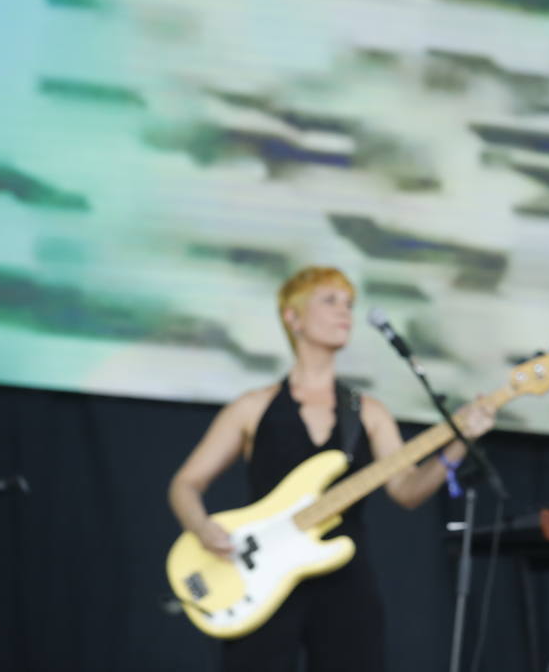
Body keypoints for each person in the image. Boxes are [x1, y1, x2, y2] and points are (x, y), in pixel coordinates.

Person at [168, 266, 496, 671]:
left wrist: (459, 443)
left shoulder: (368, 413)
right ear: (293, 317)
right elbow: (186, 482)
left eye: (349, 304)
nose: (345, 313)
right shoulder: (252, 408)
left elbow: (406, 491)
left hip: (344, 579)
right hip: (260, 577)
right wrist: (202, 528)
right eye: (330, 301)